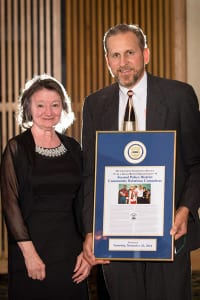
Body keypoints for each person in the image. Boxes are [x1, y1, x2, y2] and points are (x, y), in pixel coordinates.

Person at [81, 24, 200, 300]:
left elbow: (196, 163)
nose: (123, 63)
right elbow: (91, 175)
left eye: (130, 53)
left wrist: (185, 210)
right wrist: (90, 230)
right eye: (115, 55)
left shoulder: (179, 96)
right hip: (115, 233)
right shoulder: (95, 104)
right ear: (107, 60)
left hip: (168, 232)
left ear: (145, 55)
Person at [0, 74, 90, 300]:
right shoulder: (16, 148)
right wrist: (29, 254)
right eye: (40, 105)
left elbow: (84, 200)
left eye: (55, 105)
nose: (48, 112)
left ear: (63, 108)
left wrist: (87, 252)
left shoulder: (73, 147)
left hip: (71, 249)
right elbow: (10, 204)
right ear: (28, 107)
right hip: (31, 247)